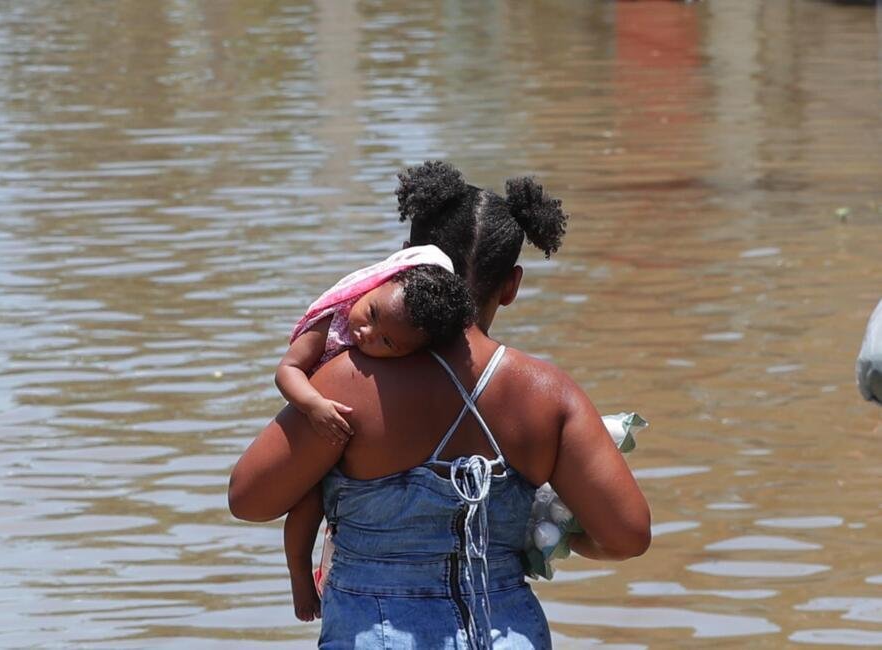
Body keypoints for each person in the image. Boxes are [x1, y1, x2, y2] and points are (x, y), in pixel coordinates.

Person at [230, 160, 651, 649]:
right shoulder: (547, 392)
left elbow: (248, 498)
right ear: (511, 286)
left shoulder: (350, 379)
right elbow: (627, 536)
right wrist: (552, 533)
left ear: (407, 262)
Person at [277, 246, 476, 620]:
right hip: (314, 419)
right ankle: (299, 577)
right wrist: (313, 405)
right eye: (371, 313)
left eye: (387, 342)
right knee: (306, 508)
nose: (365, 333)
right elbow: (287, 370)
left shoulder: (407, 341)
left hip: (351, 452)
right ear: (371, 288)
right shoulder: (332, 322)